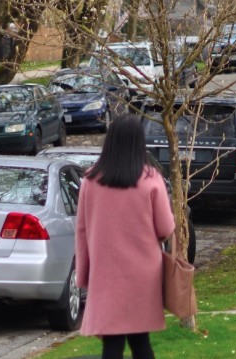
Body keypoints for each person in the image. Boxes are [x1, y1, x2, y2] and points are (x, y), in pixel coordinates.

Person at [75, 113, 176, 359]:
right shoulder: (151, 180)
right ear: (139, 144)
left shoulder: (91, 180)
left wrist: (84, 273)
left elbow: (82, 230)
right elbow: (165, 228)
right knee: (141, 342)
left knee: (111, 345)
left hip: (106, 272)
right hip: (143, 274)